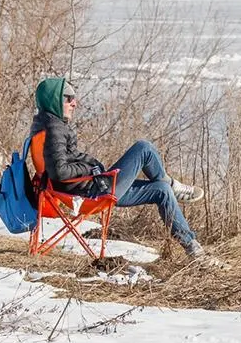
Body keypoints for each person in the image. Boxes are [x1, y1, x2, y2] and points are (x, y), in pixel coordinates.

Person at [29, 76, 208, 258]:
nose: (74, 103)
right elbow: (59, 171)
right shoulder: (54, 129)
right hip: (92, 192)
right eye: (68, 98)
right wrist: (89, 168)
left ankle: (193, 249)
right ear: (54, 100)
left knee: (161, 190)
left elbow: (61, 164)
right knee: (144, 148)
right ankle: (173, 185)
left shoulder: (45, 124)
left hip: (87, 188)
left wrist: (91, 165)